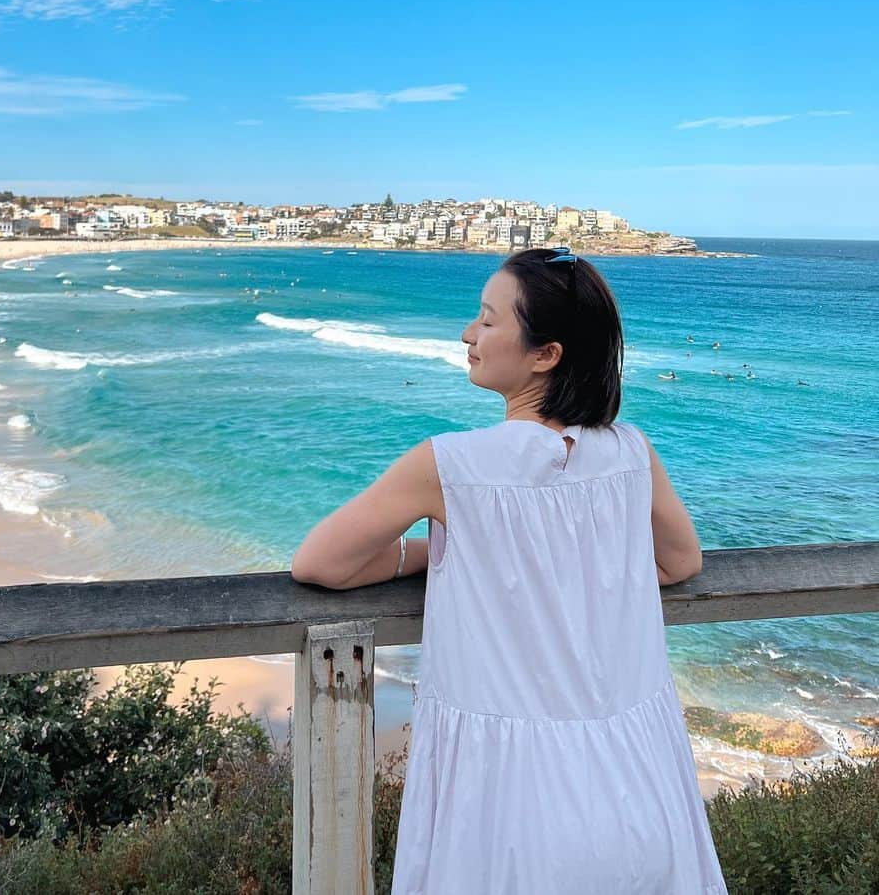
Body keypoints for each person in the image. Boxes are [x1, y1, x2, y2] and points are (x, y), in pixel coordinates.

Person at [292, 248, 726, 893]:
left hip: (508, 807)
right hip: (638, 783)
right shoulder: (631, 452)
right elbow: (680, 561)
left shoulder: (449, 465)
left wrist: (427, 554)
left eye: (487, 321)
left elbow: (319, 564)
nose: (469, 334)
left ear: (545, 353)